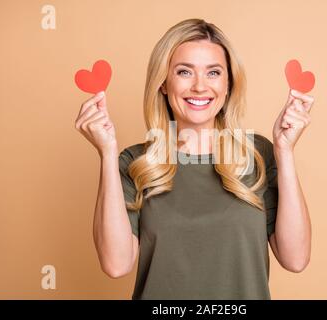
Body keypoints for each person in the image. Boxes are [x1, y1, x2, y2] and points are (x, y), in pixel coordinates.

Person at [75, 18, 314, 300]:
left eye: (213, 73)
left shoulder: (259, 155)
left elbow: (295, 259)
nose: (200, 86)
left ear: (228, 85)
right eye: (184, 72)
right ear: (163, 82)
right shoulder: (135, 162)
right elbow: (116, 265)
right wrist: (107, 152)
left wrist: (284, 151)